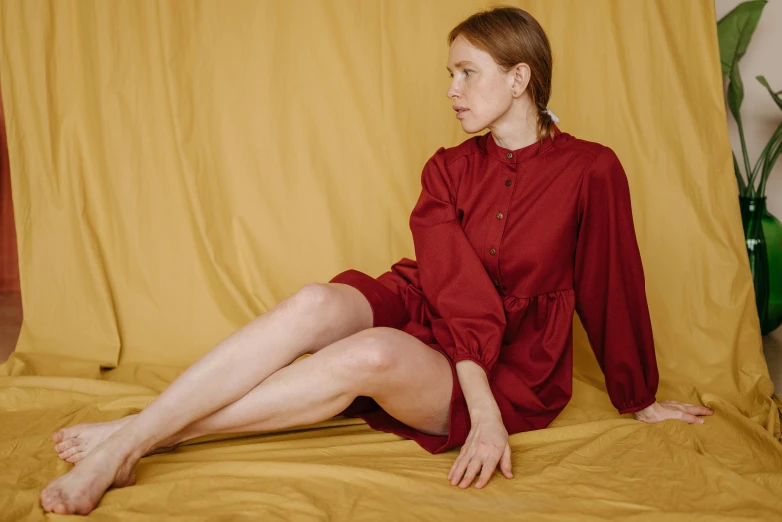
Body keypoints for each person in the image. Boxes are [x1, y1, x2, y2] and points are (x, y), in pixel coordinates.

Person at [39, 6, 713, 515]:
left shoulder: (592, 169)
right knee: (314, 303)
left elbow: (611, 282)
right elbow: (452, 285)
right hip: (430, 304)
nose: (452, 89)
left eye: (467, 73)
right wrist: (475, 411)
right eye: (449, 73)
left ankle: (136, 436)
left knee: (369, 356)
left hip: (511, 364)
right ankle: (136, 437)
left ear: (519, 79)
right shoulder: (447, 167)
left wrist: (636, 396)